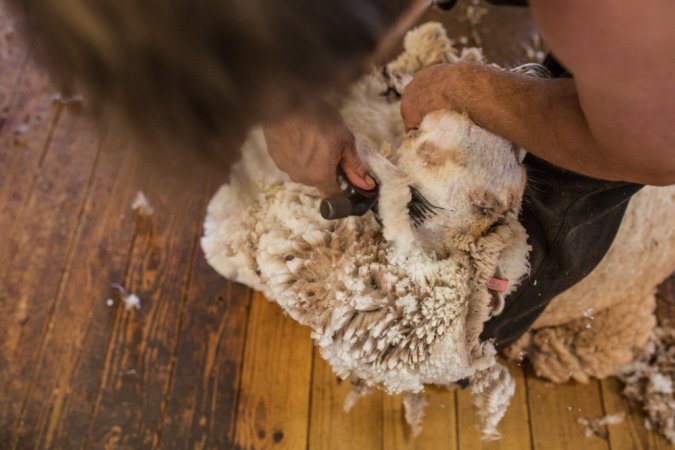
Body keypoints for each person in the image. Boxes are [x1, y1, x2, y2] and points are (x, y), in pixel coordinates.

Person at [8, 0, 674, 347]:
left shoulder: (621, 15)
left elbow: (653, 149)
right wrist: (288, 101)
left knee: (556, 193)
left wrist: (459, 88)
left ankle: (477, 333)